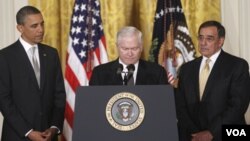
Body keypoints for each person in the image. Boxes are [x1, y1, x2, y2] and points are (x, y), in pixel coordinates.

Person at [175, 20, 250, 141]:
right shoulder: (186, 68)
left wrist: (211, 132)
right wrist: (195, 133)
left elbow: (238, 105)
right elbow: (180, 105)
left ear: (220, 41)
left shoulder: (237, 65)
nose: (203, 43)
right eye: (200, 38)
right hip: (193, 136)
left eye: (209, 39)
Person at [0, 6, 66, 141]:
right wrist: (28, 132)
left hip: (48, 136)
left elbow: (59, 94)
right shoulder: (5, 57)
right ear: (20, 28)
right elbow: (3, 100)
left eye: (42, 24)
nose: (40, 30)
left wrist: (54, 127)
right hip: (17, 136)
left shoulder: (52, 54)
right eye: (34, 26)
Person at [89, 26, 168, 85]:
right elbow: (93, 103)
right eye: (125, 49)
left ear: (141, 47)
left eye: (134, 49)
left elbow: (163, 103)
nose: (130, 54)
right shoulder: (100, 73)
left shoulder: (157, 72)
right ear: (117, 47)